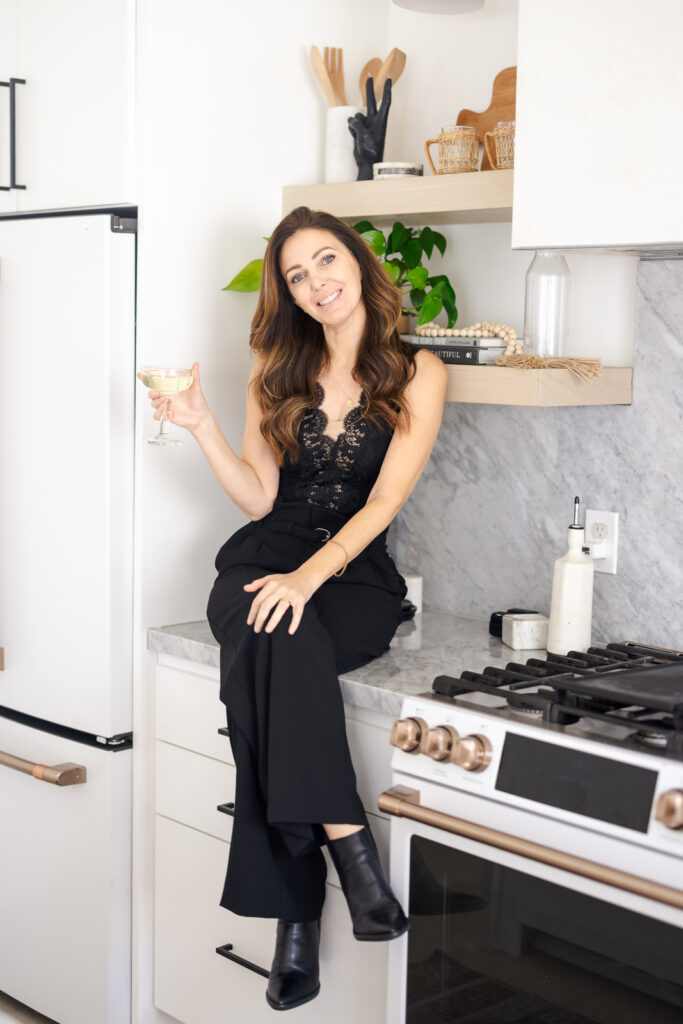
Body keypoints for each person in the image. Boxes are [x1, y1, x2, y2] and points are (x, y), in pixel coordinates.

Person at [143, 206, 447, 1012]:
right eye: (296, 275)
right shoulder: (275, 368)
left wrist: (309, 578)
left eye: (324, 261)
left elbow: (384, 500)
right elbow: (257, 496)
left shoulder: (417, 369)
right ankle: (349, 850)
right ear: (287, 292)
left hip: (351, 574)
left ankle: (297, 917)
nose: (315, 282)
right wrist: (203, 426)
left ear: (357, 259)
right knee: (271, 632)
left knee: (275, 645)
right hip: (262, 557)